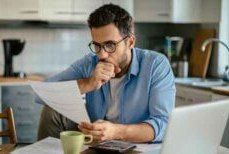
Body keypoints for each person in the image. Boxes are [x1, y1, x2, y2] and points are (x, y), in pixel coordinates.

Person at [37, 4, 175, 143]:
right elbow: (40, 94)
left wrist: (116, 132)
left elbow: (164, 125)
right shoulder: (90, 63)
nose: (102, 54)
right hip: (96, 140)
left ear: (130, 42)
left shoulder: (155, 65)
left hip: (137, 146)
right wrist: (88, 83)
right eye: (97, 45)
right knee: (52, 109)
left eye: (110, 45)